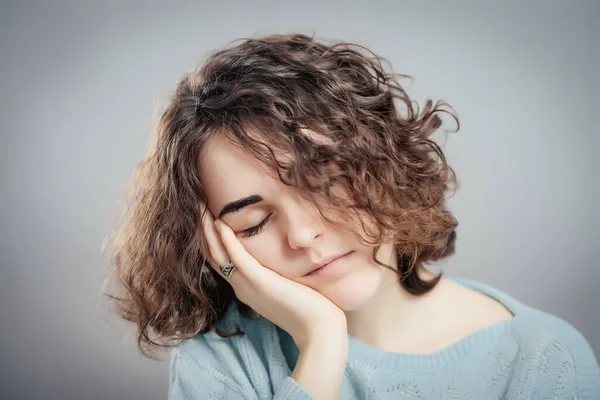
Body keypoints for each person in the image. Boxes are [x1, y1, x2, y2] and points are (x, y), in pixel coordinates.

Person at [104, 32, 600, 399]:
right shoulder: (221, 360)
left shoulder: (543, 358)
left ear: (384, 161)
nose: (302, 235)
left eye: (325, 183)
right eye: (252, 223)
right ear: (215, 244)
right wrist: (320, 343)